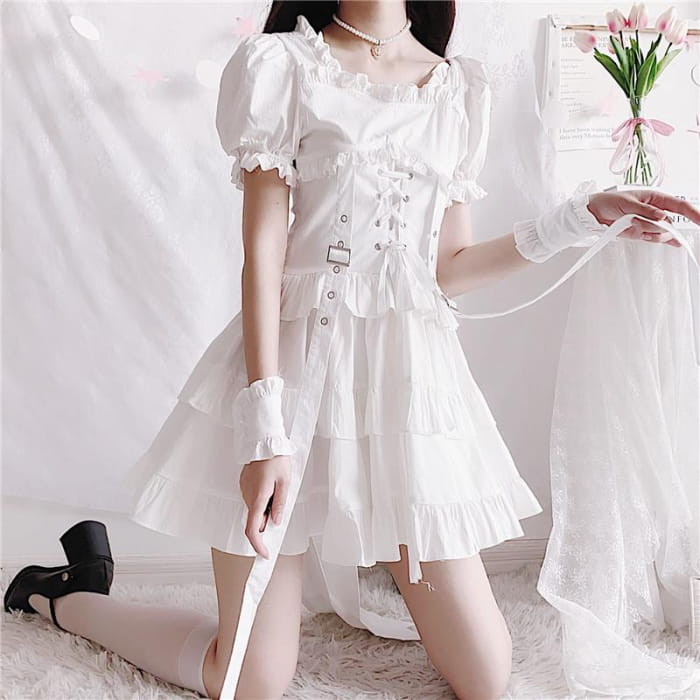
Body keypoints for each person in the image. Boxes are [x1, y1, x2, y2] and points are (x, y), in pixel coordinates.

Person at [6, 2, 699, 699]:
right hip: (289, 376)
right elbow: (263, 257)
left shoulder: (457, 89)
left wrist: (579, 218)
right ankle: (64, 595)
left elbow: (448, 266)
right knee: (249, 680)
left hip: (403, 391)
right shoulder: (284, 68)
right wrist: (264, 429)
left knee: (486, 675)